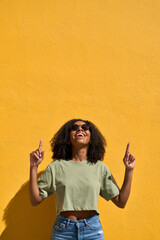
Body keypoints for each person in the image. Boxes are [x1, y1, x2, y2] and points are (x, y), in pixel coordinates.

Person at [29, 119, 136, 240]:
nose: (80, 129)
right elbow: (35, 200)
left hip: (92, 231)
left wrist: (129, 170)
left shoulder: (99, 167)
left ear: (92, 138)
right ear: (68, 137)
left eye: (85, 127)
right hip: (63, 232)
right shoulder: (56, 167)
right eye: (74, 128)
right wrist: (33, 167)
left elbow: (121, 202)